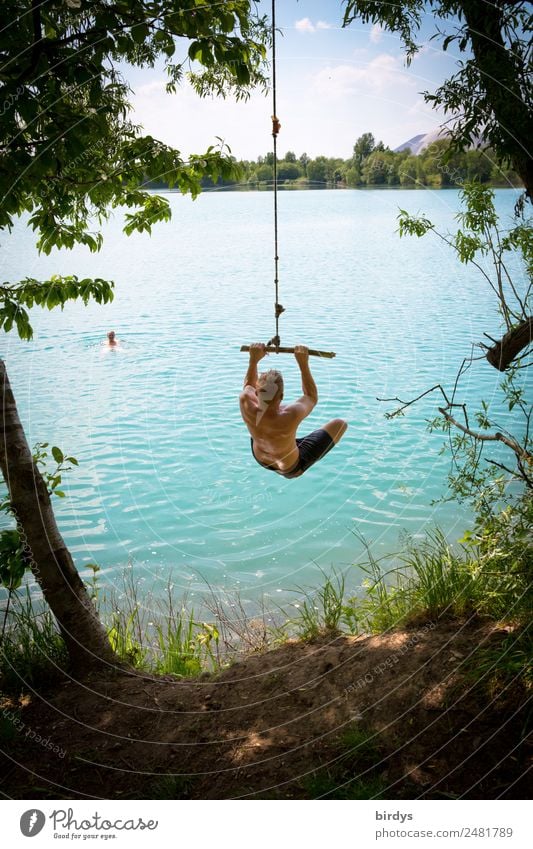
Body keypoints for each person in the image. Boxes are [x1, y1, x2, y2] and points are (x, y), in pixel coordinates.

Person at [239, 342, 347, 479]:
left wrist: (253, 360)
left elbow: (248, 384)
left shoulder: (245, 402)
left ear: (256, 393)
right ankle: (288, 450)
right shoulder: (291, 414)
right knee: (340, 424)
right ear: (282, 396)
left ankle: (283, 442)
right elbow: (311, 397)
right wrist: (303, 363)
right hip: (289, 467)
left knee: (264, 425)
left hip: (261, 458)